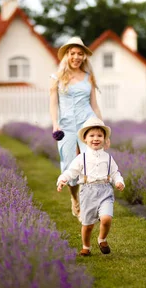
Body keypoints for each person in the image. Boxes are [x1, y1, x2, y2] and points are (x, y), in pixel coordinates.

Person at [50, 36, 107, 221]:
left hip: (87, 123)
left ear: (84, 57)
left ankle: (89, 205)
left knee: (89, 163)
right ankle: (74, 198)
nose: (76, 57)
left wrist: (103, 129)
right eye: (72, 53)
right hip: (66, 126)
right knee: (69, 165)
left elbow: (95, 105)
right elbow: (53, 103)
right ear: (67, 55)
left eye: (79, 54)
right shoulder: (56, 78)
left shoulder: (89, 78)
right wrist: (55, 124)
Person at [56, 117, 124, 256]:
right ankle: (86, 247)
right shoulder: (82, 158)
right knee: (88, 225)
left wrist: (119, 181)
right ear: (85, 139)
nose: (96, 138)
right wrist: (63, 179)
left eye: (99, 135)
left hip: (105, 191)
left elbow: (115, 172)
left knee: (106, 219)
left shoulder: (108, 158)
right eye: (91, 135)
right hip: (88, 192)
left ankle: (102, 239)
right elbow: (71, 171)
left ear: (105, 139)